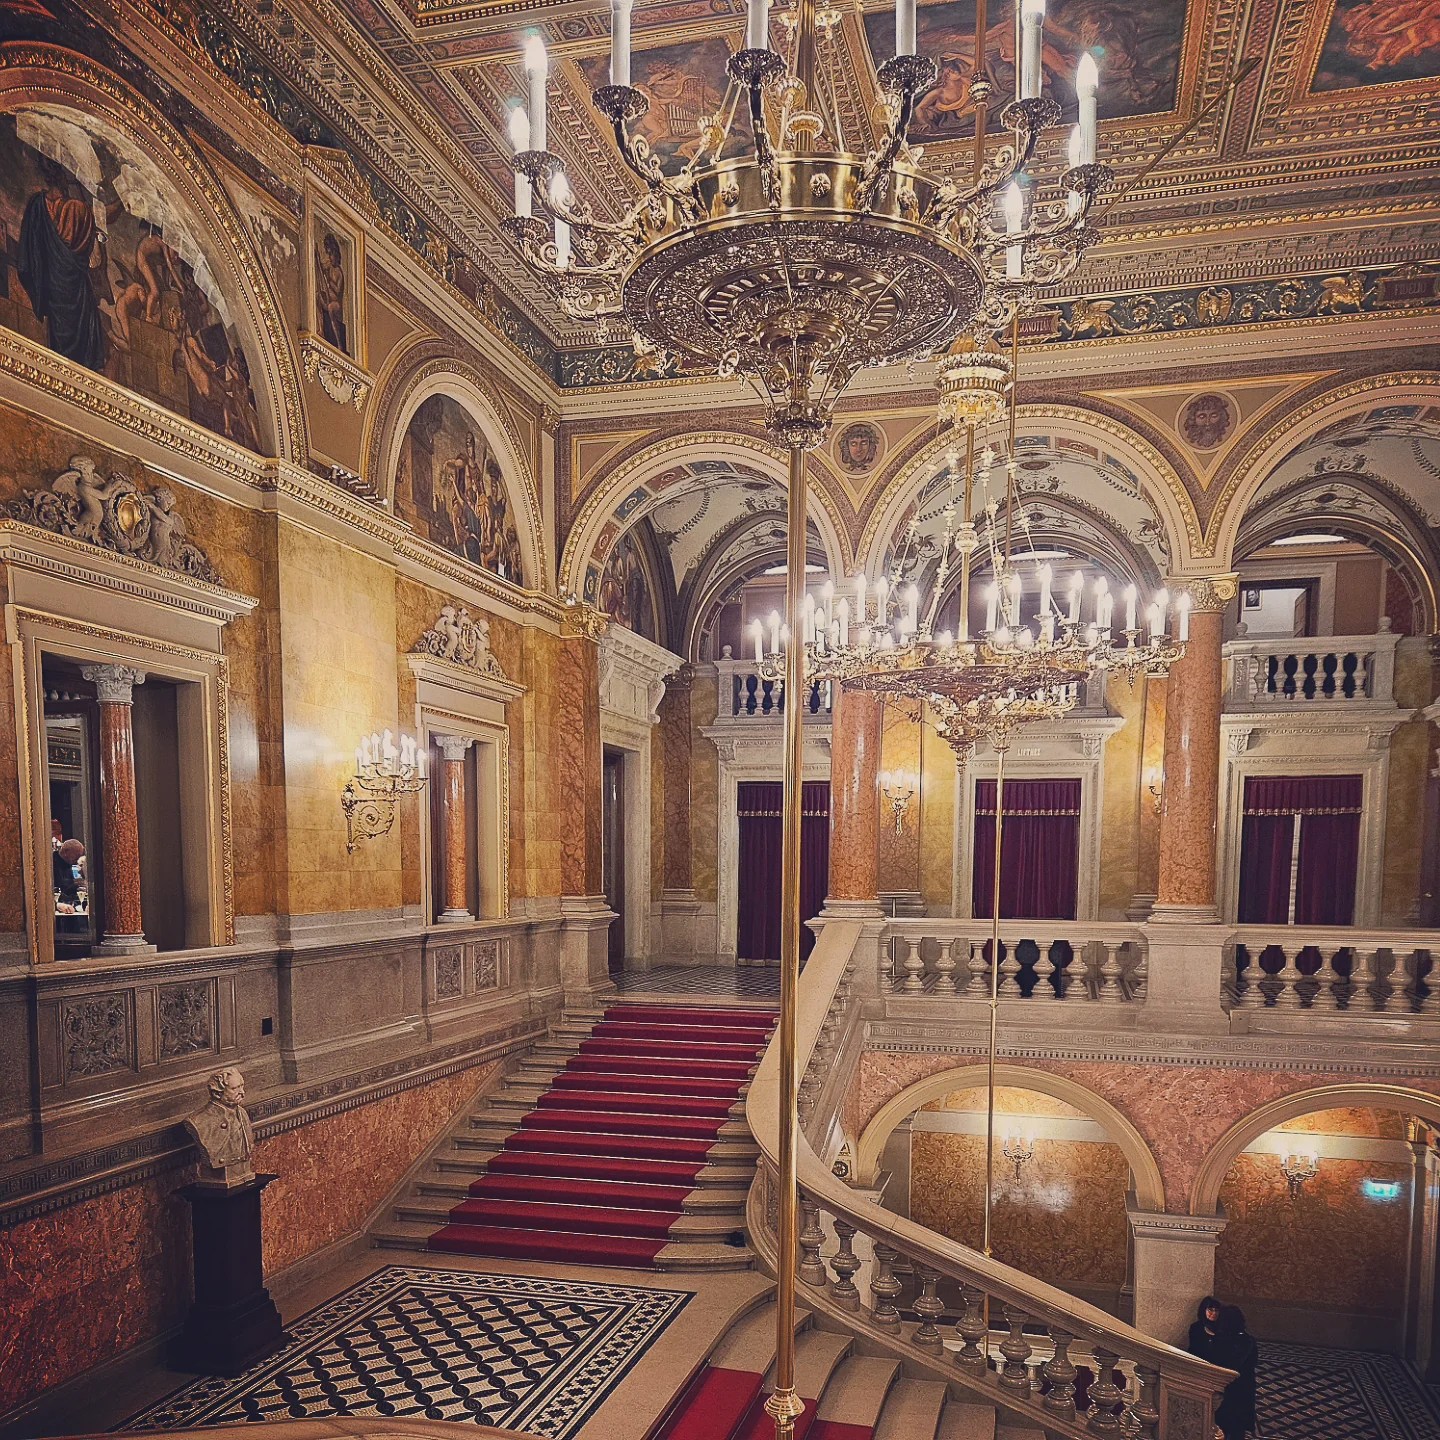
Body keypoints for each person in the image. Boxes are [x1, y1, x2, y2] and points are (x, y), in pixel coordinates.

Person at [1212, 1304, 1258, 1440]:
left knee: (1231, 1426)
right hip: (1242, 1387)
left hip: (1235, 1388)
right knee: (1235, 1428)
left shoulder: (1240, 1341)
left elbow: (1232, 1363)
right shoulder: (1247, 1340)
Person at [1187, 1295, 1222, 1363]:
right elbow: (1193, 1351)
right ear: (1203, 1310)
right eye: (1210, 1310)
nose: (1214, 1313)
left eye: (1216, 1310)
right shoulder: (1196, 1328)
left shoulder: (1224, 1327)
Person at [52, 838, 84, 906]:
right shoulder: (52, 863)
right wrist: (75, 883)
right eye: (77, 854)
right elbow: (58, 886)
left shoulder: (68, 864)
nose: (78, 858)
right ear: (66, 852)